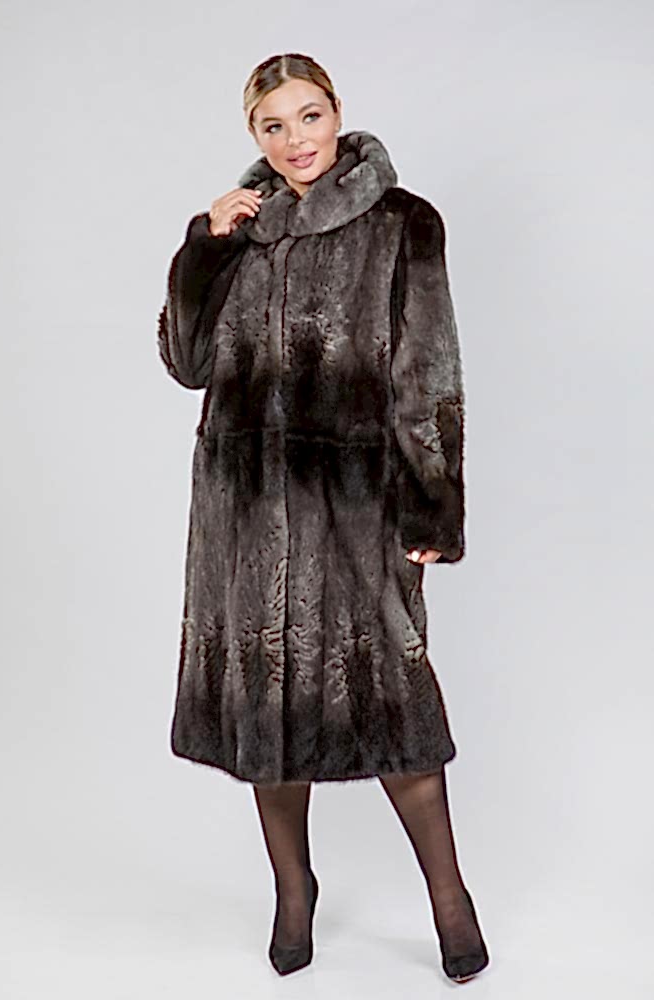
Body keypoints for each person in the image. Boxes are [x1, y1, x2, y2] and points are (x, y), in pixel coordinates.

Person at [157, 52, 489, 983]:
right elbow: (186, 363)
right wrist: (204, 247)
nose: (294, 140)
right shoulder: (239, 229)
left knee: (395, 707)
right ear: (253, 135)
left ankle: (450, 899)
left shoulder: (401, 224)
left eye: (308, 116)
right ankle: (292, 891)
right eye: (273, 125)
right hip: (240, 511)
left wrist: (432, 507)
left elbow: (429, 373)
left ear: (336, 112)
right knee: (263, 710)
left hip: (353, 511)